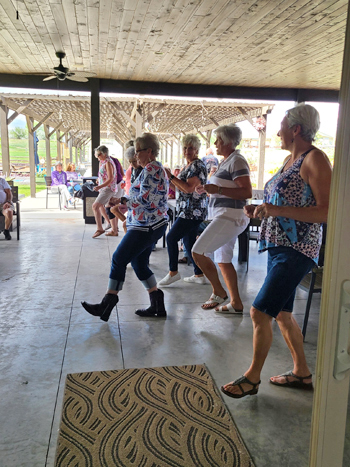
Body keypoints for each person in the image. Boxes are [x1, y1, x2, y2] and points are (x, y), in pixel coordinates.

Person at [220, 104, 332, 399]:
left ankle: (252, 378)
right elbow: (286, 204)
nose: (278, 132)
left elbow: (327, 211)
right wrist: (260, 210)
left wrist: (276, 209)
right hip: (277, 246)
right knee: (282, 313)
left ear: (296, 129)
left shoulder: (315, 159)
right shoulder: (288, 160)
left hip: (298, 249)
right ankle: (302, 373)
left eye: (281, 127)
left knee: (260, 311)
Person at [81, 133, 169, 321]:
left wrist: (122, 200)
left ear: (149, 151)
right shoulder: (150, 168)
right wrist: (124, 201)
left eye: (138, 152)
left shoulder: (152, 168)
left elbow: (146, 199)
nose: (136, 156)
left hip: (146, 225)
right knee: (138, 263)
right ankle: (157, 303)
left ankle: (108, 302)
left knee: (118, 259)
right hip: (149, 223)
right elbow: (144, 197)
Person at [192, 124, 252, 311]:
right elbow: (228, 189)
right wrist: (209, 190)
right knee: (223, 260)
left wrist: (217, 189)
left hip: (230, 216)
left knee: (198, 251)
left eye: (218, 140)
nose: (215, 143)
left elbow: (246, 192)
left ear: (228, 142)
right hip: (225, 215)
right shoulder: (227, 161)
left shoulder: (237, 161)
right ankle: (236, 303)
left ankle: (219, 291)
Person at [158, 134, 208, 286]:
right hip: (185, 210)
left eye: (191, 148)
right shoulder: (188, 165)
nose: (187, 150)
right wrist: (169, 180)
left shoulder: (197, 166)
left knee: (171, 237)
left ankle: (173, 272)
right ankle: (198, 274)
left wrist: (171, 176)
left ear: (197, 149)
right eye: (185, 147)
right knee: (189, 242)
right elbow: (179, 188)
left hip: (193, 211)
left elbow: (188, 188)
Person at [91, 145, 117, 238]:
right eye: (96, 155)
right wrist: (100, 180)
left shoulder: (108, 163)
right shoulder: (103, 162)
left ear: (104, 153)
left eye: (99, 155)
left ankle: (100, 228)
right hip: (104, 188)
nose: (97, 157)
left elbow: (110, 178)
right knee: (102, 206)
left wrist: (99, 186)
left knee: (95, 206)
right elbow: (103, 175)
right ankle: (111, 225)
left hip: (108, 188)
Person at [105, 155, 125, 237]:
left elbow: (109, 177)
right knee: (115, 206)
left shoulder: (106, 162)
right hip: (120, 183)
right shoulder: (116, 160)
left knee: (108, 206)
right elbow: (122, 173)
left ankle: (114, 229)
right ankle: (115, 227)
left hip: (111, 185)